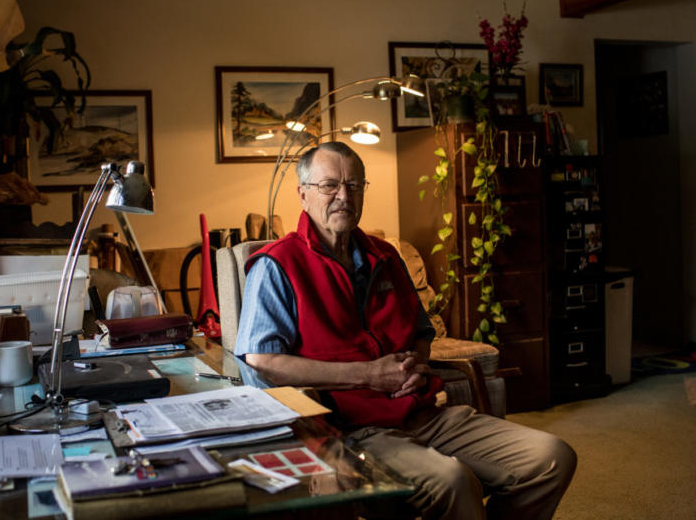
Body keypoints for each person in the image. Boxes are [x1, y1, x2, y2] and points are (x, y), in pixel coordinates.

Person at [234, 141, 576, 520]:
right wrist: (369, 375)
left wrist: (414, 363)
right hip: (353, 429)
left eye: (354, 185)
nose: (344, 196)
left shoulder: (385, 254)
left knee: (552, 458)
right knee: (453, 481)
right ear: (303, 194)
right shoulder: (277, 265)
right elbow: (261, 360)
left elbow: (421, 332)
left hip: (424, 413)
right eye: (329, 185)